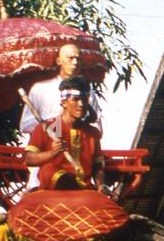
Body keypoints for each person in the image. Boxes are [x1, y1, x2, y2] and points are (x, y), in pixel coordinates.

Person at [19, 44, 102, 189]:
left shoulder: (89, 93)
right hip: (47, 153)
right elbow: (25, 124)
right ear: (58, 61)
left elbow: (95, 125)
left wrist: (74, 123)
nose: (75, 62)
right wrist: (55, 124)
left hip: (81, 156)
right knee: (51, 173)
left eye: (78, 59)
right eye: (70, 58)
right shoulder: (40, 88)